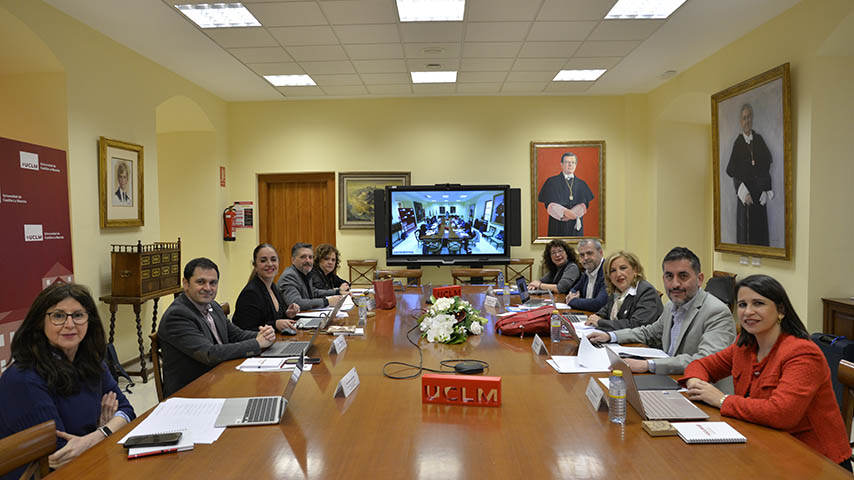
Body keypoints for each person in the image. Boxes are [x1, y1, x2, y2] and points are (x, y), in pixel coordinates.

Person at [680, 275, 851, 470]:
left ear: (781, 310)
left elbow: (781, 413)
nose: (748, 312)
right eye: (743, 305)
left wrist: (721, 400)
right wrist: (696, 384)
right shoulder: (744, 345)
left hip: (816, 461)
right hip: (764, 443)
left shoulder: (803, 353)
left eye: (758, 303)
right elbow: (700, 365)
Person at [0, 283, 136, 476]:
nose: (70, 324)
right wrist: (105, 430)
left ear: (90, 321)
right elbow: (61, 454)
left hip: (88, 463)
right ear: (40, 322)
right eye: (58, 316)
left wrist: (100, 433)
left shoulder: (90, 361)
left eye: (78, 315)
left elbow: (127, 411)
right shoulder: (24, 378)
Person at [587, 247, 736, 381]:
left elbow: (705, 360)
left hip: (703, 391)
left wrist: (648, 365)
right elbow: (649, 332)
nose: (675, 284)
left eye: (683, 276)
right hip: (671, 379)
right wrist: (610, 336)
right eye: (669, 276)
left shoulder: (717, 312)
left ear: (699, 279)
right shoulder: (672, 305)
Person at [158, 258, 276, 398]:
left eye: (213, 283)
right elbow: (209, 354)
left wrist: (264, 334)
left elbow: (236, 335)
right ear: (186, 283)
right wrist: (257, 343)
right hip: (192, 393)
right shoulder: (177, 316)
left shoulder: (213, 306)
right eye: (200, 282)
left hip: (220, 378)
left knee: (269, 389)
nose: (208, 288)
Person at [725, 103, 773, 246]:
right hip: (746, 197)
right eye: (744, 118)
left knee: (760, 234)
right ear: (741, 121)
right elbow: (733, 172)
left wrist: (765, 188)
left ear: (752, 119)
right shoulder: (738, 143)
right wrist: (743, 193)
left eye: (749, 117)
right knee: (746, 235)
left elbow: (766, 166)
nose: (747, 121)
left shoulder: (759, 140)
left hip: (759, 196)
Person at [585, 251, 662, 331]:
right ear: (609, 276)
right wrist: (597, 317)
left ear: (635, 270)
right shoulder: (617, 291)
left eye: (623, 268)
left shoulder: (646, 291)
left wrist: (600, 322)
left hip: (640, 343)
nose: (618, 274)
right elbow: (605, 311)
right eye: (613, 271)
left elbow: (636, 325)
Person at [232, 244, 300, 333]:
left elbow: (273, 318)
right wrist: (275, 325)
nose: (270, 264)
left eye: (273, 259)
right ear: (255, 266)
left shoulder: (272, 287)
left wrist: (288, 314)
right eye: (263, 260)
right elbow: (245, 330)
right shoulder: (250, 293)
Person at [537, 152, 594, 237]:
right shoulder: (551, 182)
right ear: (562, 164)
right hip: (557, 225)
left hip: (575, 226)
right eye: (567, 162)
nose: (570, 165)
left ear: (576, 165)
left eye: (573, 162)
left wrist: (572, 214)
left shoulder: (582, 184)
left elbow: (585, 204)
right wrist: (564, 213)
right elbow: (549, 204)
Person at [277, 243, 343, 310]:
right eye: (303, 257)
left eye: (310, 257)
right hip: (294, 319)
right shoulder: (289, 276)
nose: (308, 260)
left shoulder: (305, 273)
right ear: (293, 260)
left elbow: (314, 292)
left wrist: (337, 292)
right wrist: (326, 302)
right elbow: (296, 303)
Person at [565, 239, 608, 312]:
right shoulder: (588, 271)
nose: (585, 258)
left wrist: (572, 300)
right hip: (587, 314)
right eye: (582, 255)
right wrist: (571, 294)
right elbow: (575, 289)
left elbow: (599, 304)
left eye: (589, 253)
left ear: (600, 253)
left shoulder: (607, 271)